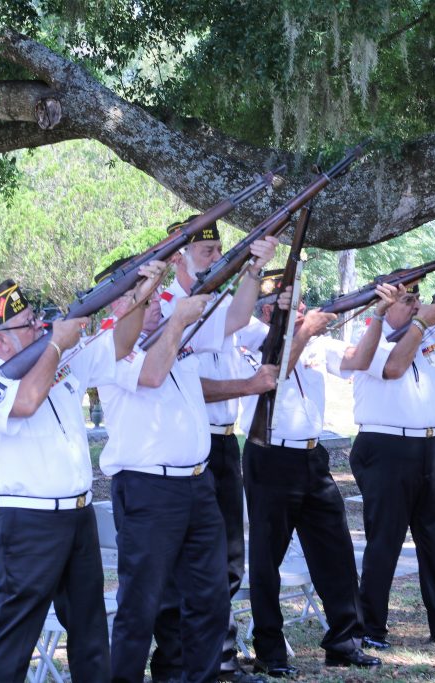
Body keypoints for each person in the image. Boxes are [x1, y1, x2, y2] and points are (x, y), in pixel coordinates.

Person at [0, 263, 163, 682]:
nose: (41, 326)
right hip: (27, 521)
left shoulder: (62, 356)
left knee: (89, 632)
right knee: (14, 634)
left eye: (36, 320)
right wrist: (55, 346)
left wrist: (142, 295)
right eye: (29, 324)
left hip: (77, 515)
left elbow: (120, 346)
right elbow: (27, 401)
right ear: (0, 339)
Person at [234, 272, 382, 677]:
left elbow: (359, 360)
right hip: (269, 458)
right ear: (268, 311)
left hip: (313, 459)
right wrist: (301, 334)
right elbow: (271, 376)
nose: (302, 311)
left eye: (300, 305)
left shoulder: (314, 341)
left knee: (335, 552)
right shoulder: (248, 340)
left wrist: (380, 314)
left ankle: (345, 640)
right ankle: (270, 650)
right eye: (292, 305)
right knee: (266, 560)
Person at [94, 257, 231, 683]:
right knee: (141, 604)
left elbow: (237, 317)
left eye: (155, 297)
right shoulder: (109, 346)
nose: (155, 305)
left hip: (196, 483)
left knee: (210, 597)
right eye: (143, 298)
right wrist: (175, 323)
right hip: (148, 489)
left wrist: (251, 268)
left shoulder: (169, 329)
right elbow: (152, 375)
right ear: (114, 307)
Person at [153, 223, 277, 683]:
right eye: (204, 251)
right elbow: (187, 382)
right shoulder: (164, 308)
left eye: (217, 251)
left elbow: (240, 320)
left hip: (223, 439)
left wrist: (255, 267)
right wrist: (248, 385)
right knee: (178, 570)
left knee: (225, 562)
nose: (212, 258)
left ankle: (219, 661)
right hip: (186, 444)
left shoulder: (215, 301)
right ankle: (174, 663)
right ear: (180, 256)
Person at [345, 273, 435, 652]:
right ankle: (371, 627)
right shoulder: (371, 335)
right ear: (385, 303)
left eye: (417, 298)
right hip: (385, 446)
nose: (415, 304)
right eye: (406, 299)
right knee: (385, 541)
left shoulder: (432, 332)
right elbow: (393, 367)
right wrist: (421, 323)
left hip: (431, 444)